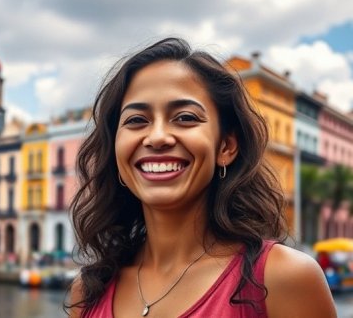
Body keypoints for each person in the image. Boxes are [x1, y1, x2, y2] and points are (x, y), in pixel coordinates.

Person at [66, 38, 335, 317]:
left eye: (184, 117)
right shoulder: (86, 292)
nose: (157, 137)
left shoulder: (285, 278)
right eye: (136, 120)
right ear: (116, 150)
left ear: (226, 147)